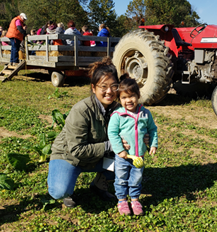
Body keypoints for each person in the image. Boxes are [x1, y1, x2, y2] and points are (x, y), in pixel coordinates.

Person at [47, 57, 121, 208]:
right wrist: (110, 146)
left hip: (96, 156)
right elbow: (76, 149)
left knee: (128, 161)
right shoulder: (82, 110)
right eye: (104, 87)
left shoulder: (119, 110)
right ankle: (68, 190)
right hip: (69, 156)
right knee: (59, 191)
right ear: (94, 88)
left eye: (114, 86)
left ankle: (99, 185)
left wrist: (141, 138)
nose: (109, 91)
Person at [108, 74, 158, 216]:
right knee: (121, 178)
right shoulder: (117, 115)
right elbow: (112, 133)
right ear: (119, 99)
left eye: (132, 96)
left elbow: (152, 129)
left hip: (138, 156)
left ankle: (135, 199)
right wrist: (119, 150)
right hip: (123, 157)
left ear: (138, 95)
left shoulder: (145, 113)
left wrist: (153, 144)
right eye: (124, 97)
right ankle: (122, 200)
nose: (128, 100)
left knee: (136, 179)